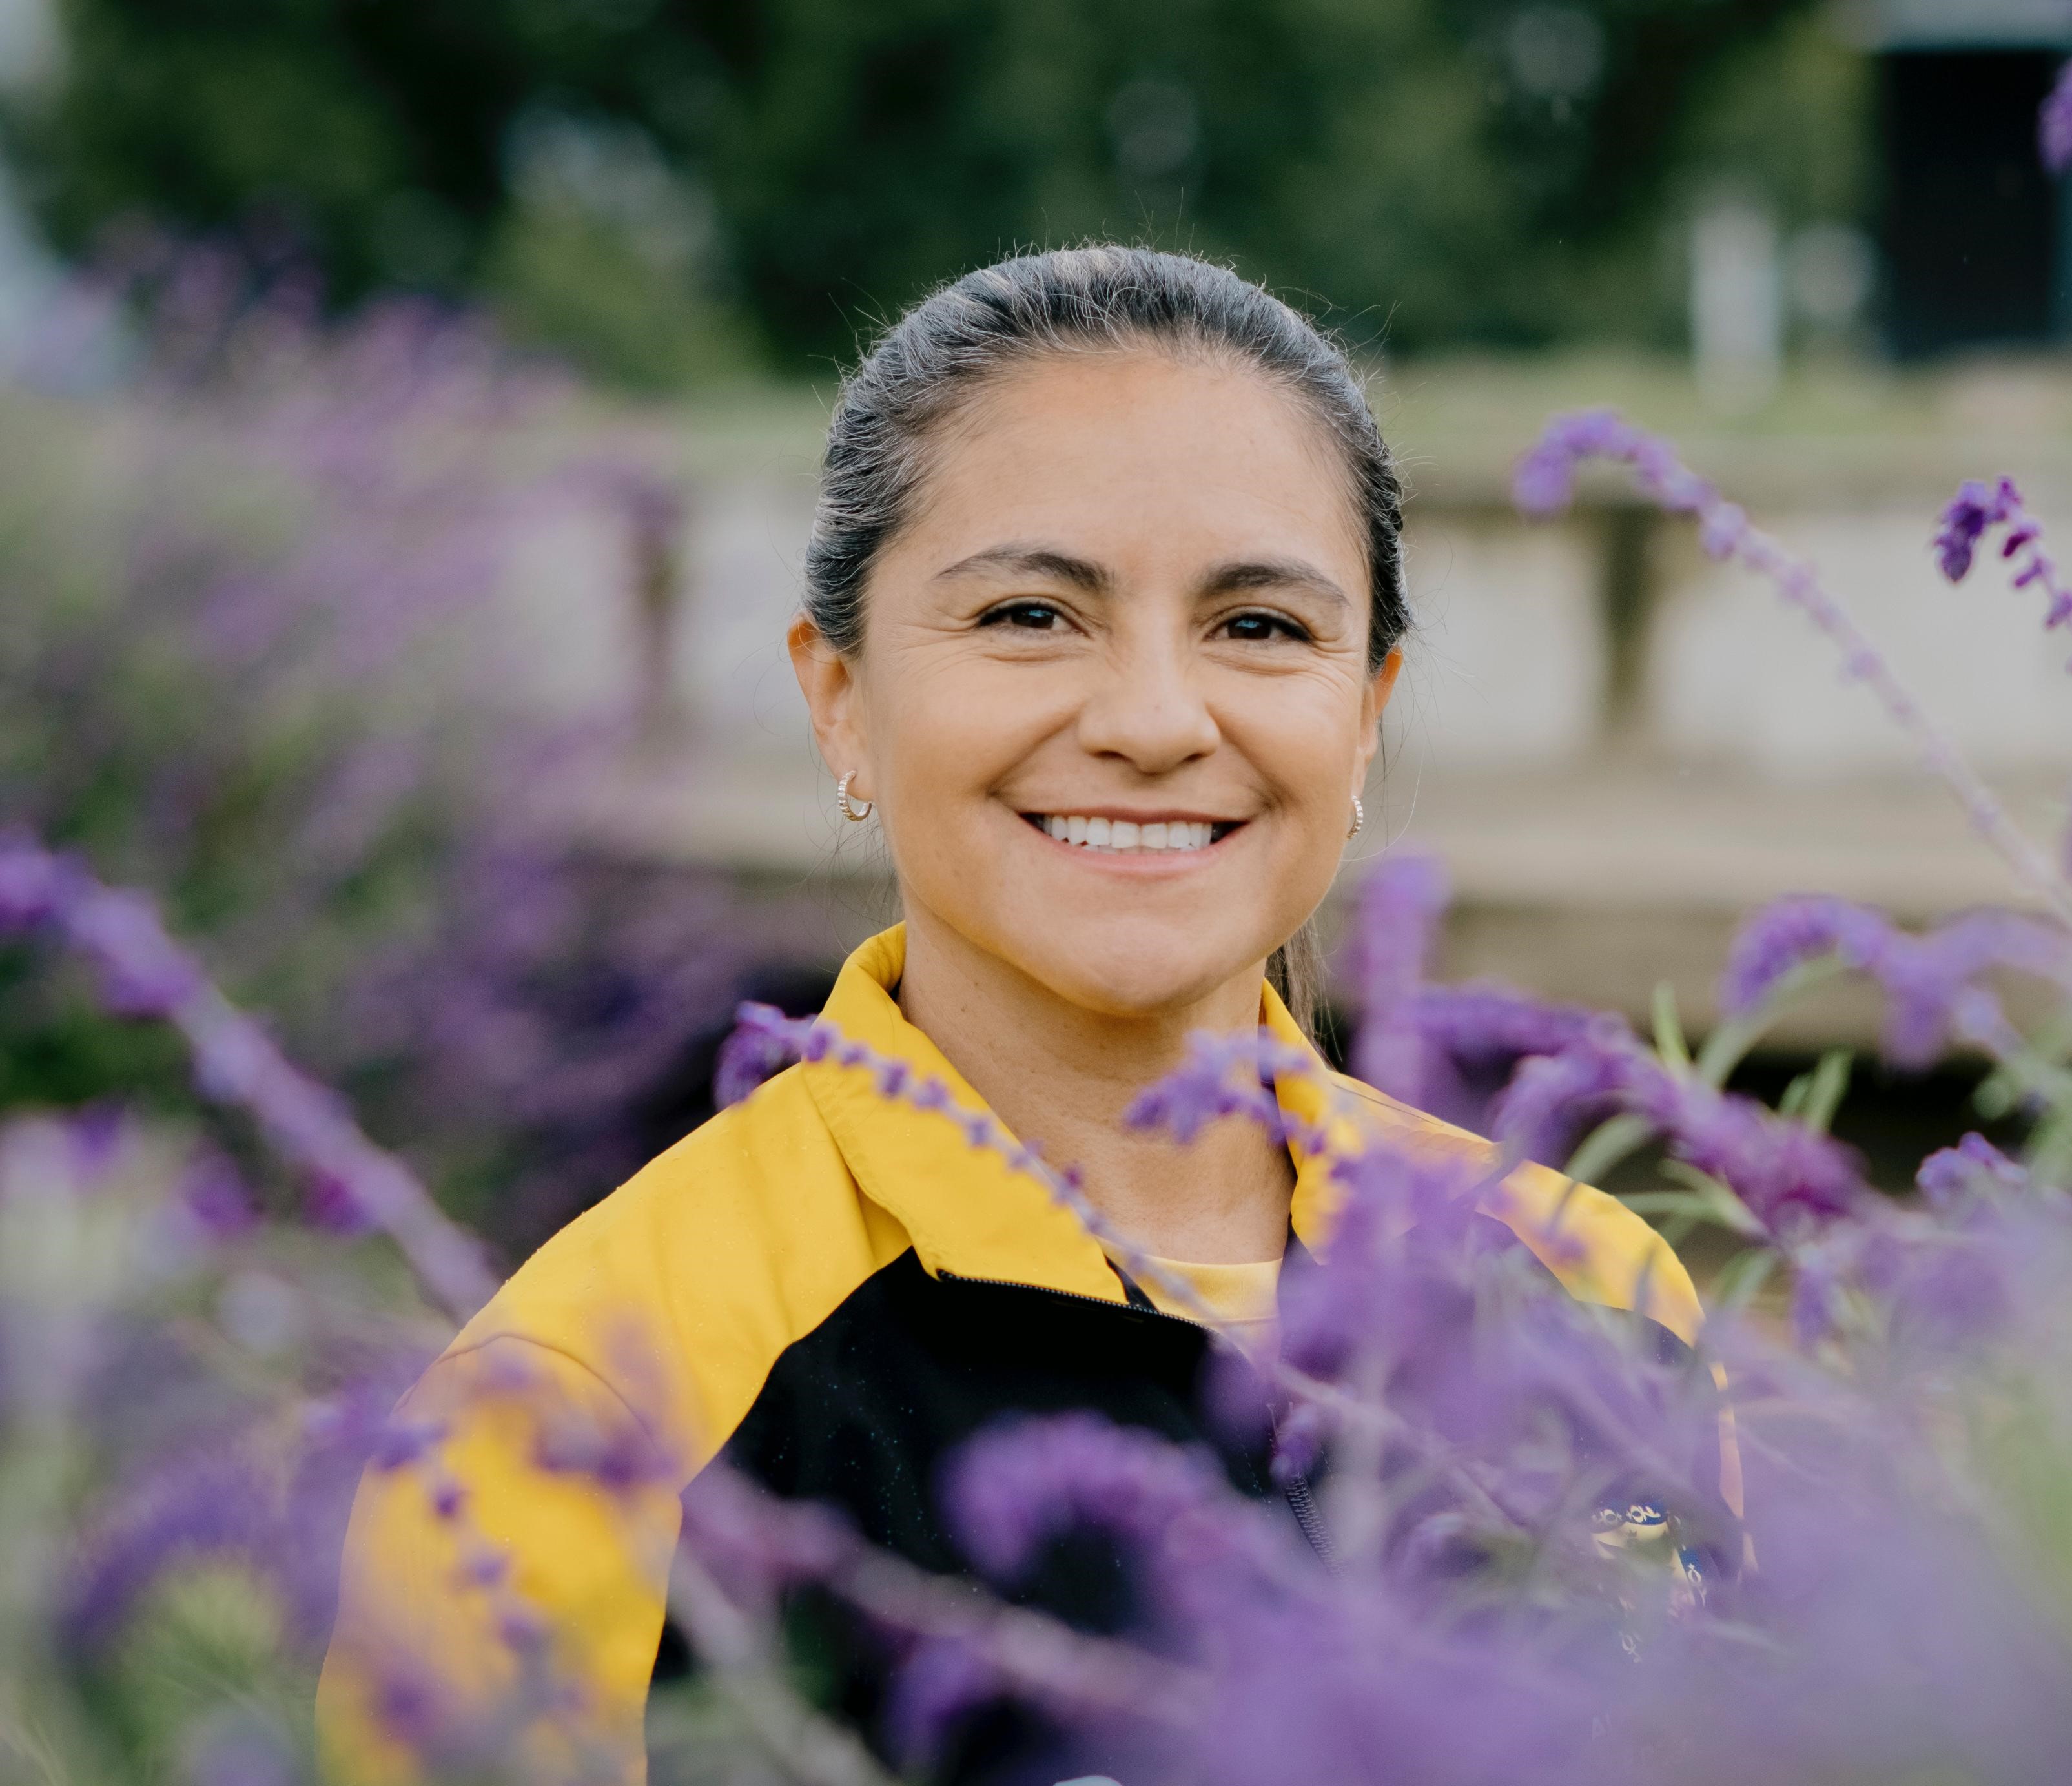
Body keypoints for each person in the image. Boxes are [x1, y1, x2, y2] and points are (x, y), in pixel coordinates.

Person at [317, 245, 1700, 1785]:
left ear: (1364, 717)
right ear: (838, 696)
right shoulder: (576, 1415)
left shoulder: (1592, 1290)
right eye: (1034, 615)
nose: (1155, 723)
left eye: (1258, 627)